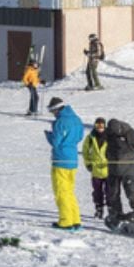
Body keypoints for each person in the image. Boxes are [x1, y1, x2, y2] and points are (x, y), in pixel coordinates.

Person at [45, 97, 84, 231]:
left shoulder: (60, 122)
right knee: (69, 192)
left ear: (56, 109)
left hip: (60, 160)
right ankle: (75, 220)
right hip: (73, 160)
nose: (52, 114)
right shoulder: (76, 119)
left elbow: (55, 142)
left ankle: (66, 221)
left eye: (52, 111)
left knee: (62, 192)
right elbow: (79, 137)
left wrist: (48, 135)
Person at [82, 117, 110, 218]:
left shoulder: (109, 137)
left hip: (108, 170)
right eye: (97, 125)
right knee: (97, 192)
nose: (100, 128)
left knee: (110, 192)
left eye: (101, 125)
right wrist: (88, 164)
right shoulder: (90, 138)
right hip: (96, 170)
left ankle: (111, 210)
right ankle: (99, 209)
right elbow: (85, 151)